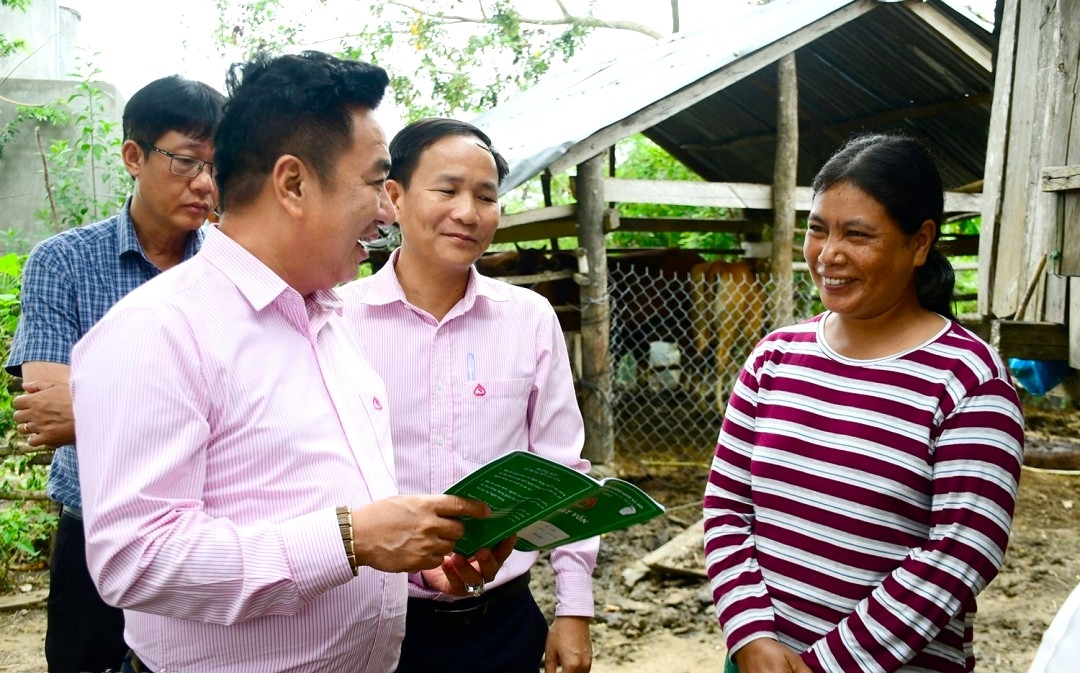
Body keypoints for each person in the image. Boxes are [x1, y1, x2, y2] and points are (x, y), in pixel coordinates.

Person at [69, 52, 511, 673]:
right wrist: (352, 540)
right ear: (294, 183)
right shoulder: (158, 333)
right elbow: (135, 559)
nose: (388, 211)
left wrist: (417, 555)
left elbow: (323, 502)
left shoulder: (326, 318)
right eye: (373, 183)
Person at [702, 133, 1025, 673]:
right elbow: (727, 507)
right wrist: (750, 632)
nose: (829, 255)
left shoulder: (969, 380)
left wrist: (828, 664)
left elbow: (961, 551)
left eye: (858, 234)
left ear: (920, 243)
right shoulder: (774, 358)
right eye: (818, 229)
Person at [339, 117, 598, 673]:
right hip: (373, 623)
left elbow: (565, 470)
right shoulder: (338, 321)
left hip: (502, 623)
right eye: (448, 189)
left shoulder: (527, 318)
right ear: (395, 197)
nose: (468, 212)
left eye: (486, 196)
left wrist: (574, 610)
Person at [5, 74, 225, 673]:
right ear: (133, 155)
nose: (205, 184)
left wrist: (101, 410)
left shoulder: (232, 272)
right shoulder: (65, 261)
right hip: (95, 525)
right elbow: (48, 412)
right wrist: (203, 418)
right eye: (186, 161)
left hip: (206, 530)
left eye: (216, 166)